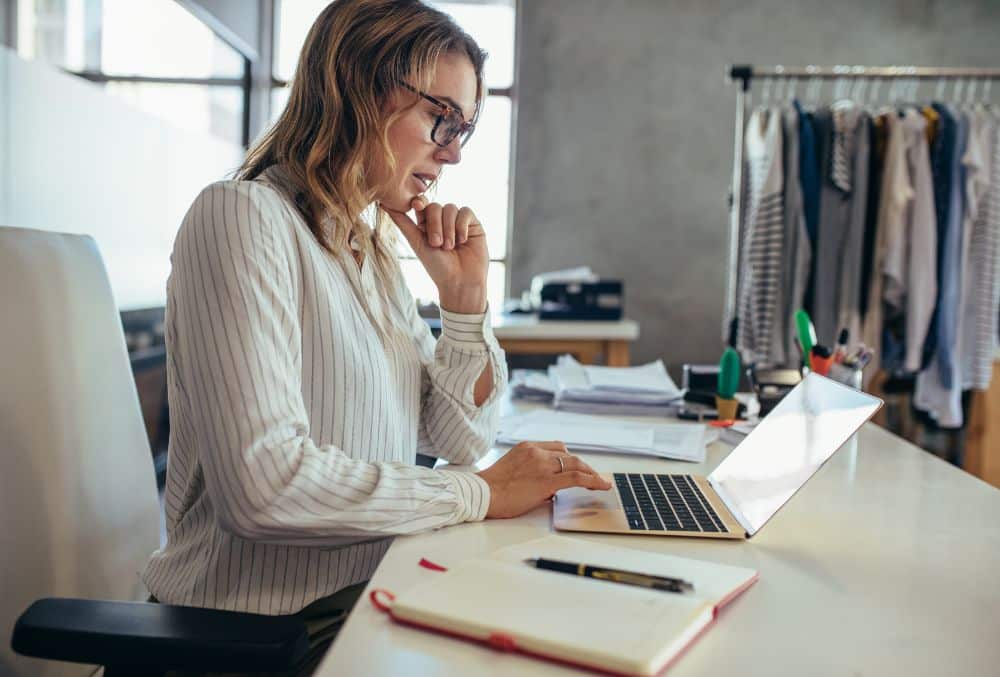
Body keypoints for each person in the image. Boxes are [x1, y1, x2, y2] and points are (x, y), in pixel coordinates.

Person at [142, 0, 610, 672]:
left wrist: (465, 303)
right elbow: (264, 485)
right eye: (440, 118)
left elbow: (456, 437)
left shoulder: (371, 250)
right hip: (257, 638)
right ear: (359, 88)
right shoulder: (242, 218)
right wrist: (476, 492)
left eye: (464, 130)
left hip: (367, 598)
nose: (450, 151)